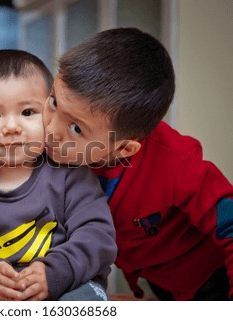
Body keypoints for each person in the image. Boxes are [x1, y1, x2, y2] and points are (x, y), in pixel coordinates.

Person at [42, 27, 233, 300]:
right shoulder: (53, 145)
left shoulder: (177, 164)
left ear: (124, 148)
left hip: (212, 281)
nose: (50, 129)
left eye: (75, 129)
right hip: (155, 282)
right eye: (53, 101)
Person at [0, 49, 117, 301]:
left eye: (28, 112)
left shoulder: (72, 176)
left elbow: (97, 235)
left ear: (51, 112)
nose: (11, 127)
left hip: (69, 285)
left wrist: (56, 272)